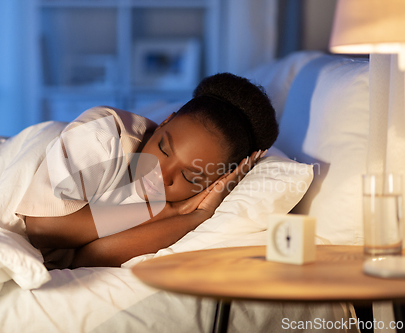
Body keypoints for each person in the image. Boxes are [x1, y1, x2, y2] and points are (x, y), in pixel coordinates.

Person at [16, 73, 279, 269]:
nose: (161, 175)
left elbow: (87, 260)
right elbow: (43, 227)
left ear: (215, 182)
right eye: (164, 148)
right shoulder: (104, 136)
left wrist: (194, 217)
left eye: (190, 176)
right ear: (165, 121)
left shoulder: (176, 204)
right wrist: (162, 213)